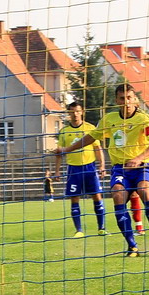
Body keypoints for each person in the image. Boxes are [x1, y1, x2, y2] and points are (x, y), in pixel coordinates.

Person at [55, 84, 149, 257]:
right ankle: (132, 246)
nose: (126, 102)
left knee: (144, 190)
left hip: (143, 166)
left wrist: (138, 159)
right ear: (116, 100)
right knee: (117, 194)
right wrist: (66, 150)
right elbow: (90, 137)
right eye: (122, 98)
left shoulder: (145, 119)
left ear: (135, 99)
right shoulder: (109, 119)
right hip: (120, 169)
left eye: (129, 98)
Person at [53, 102, 107, 238]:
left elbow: (97, 148)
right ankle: (79, 230)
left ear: (82, 112)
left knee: (97, 195)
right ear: (69, 113)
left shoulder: (90, 128)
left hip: (90, 167)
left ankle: (101, 227)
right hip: (73, 169)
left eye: (77, 111)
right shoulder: (64, 131)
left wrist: (102, 166)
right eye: (72, 112)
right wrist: (57, 171)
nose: (75, 114)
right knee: (74, 198)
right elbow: (59, 152)